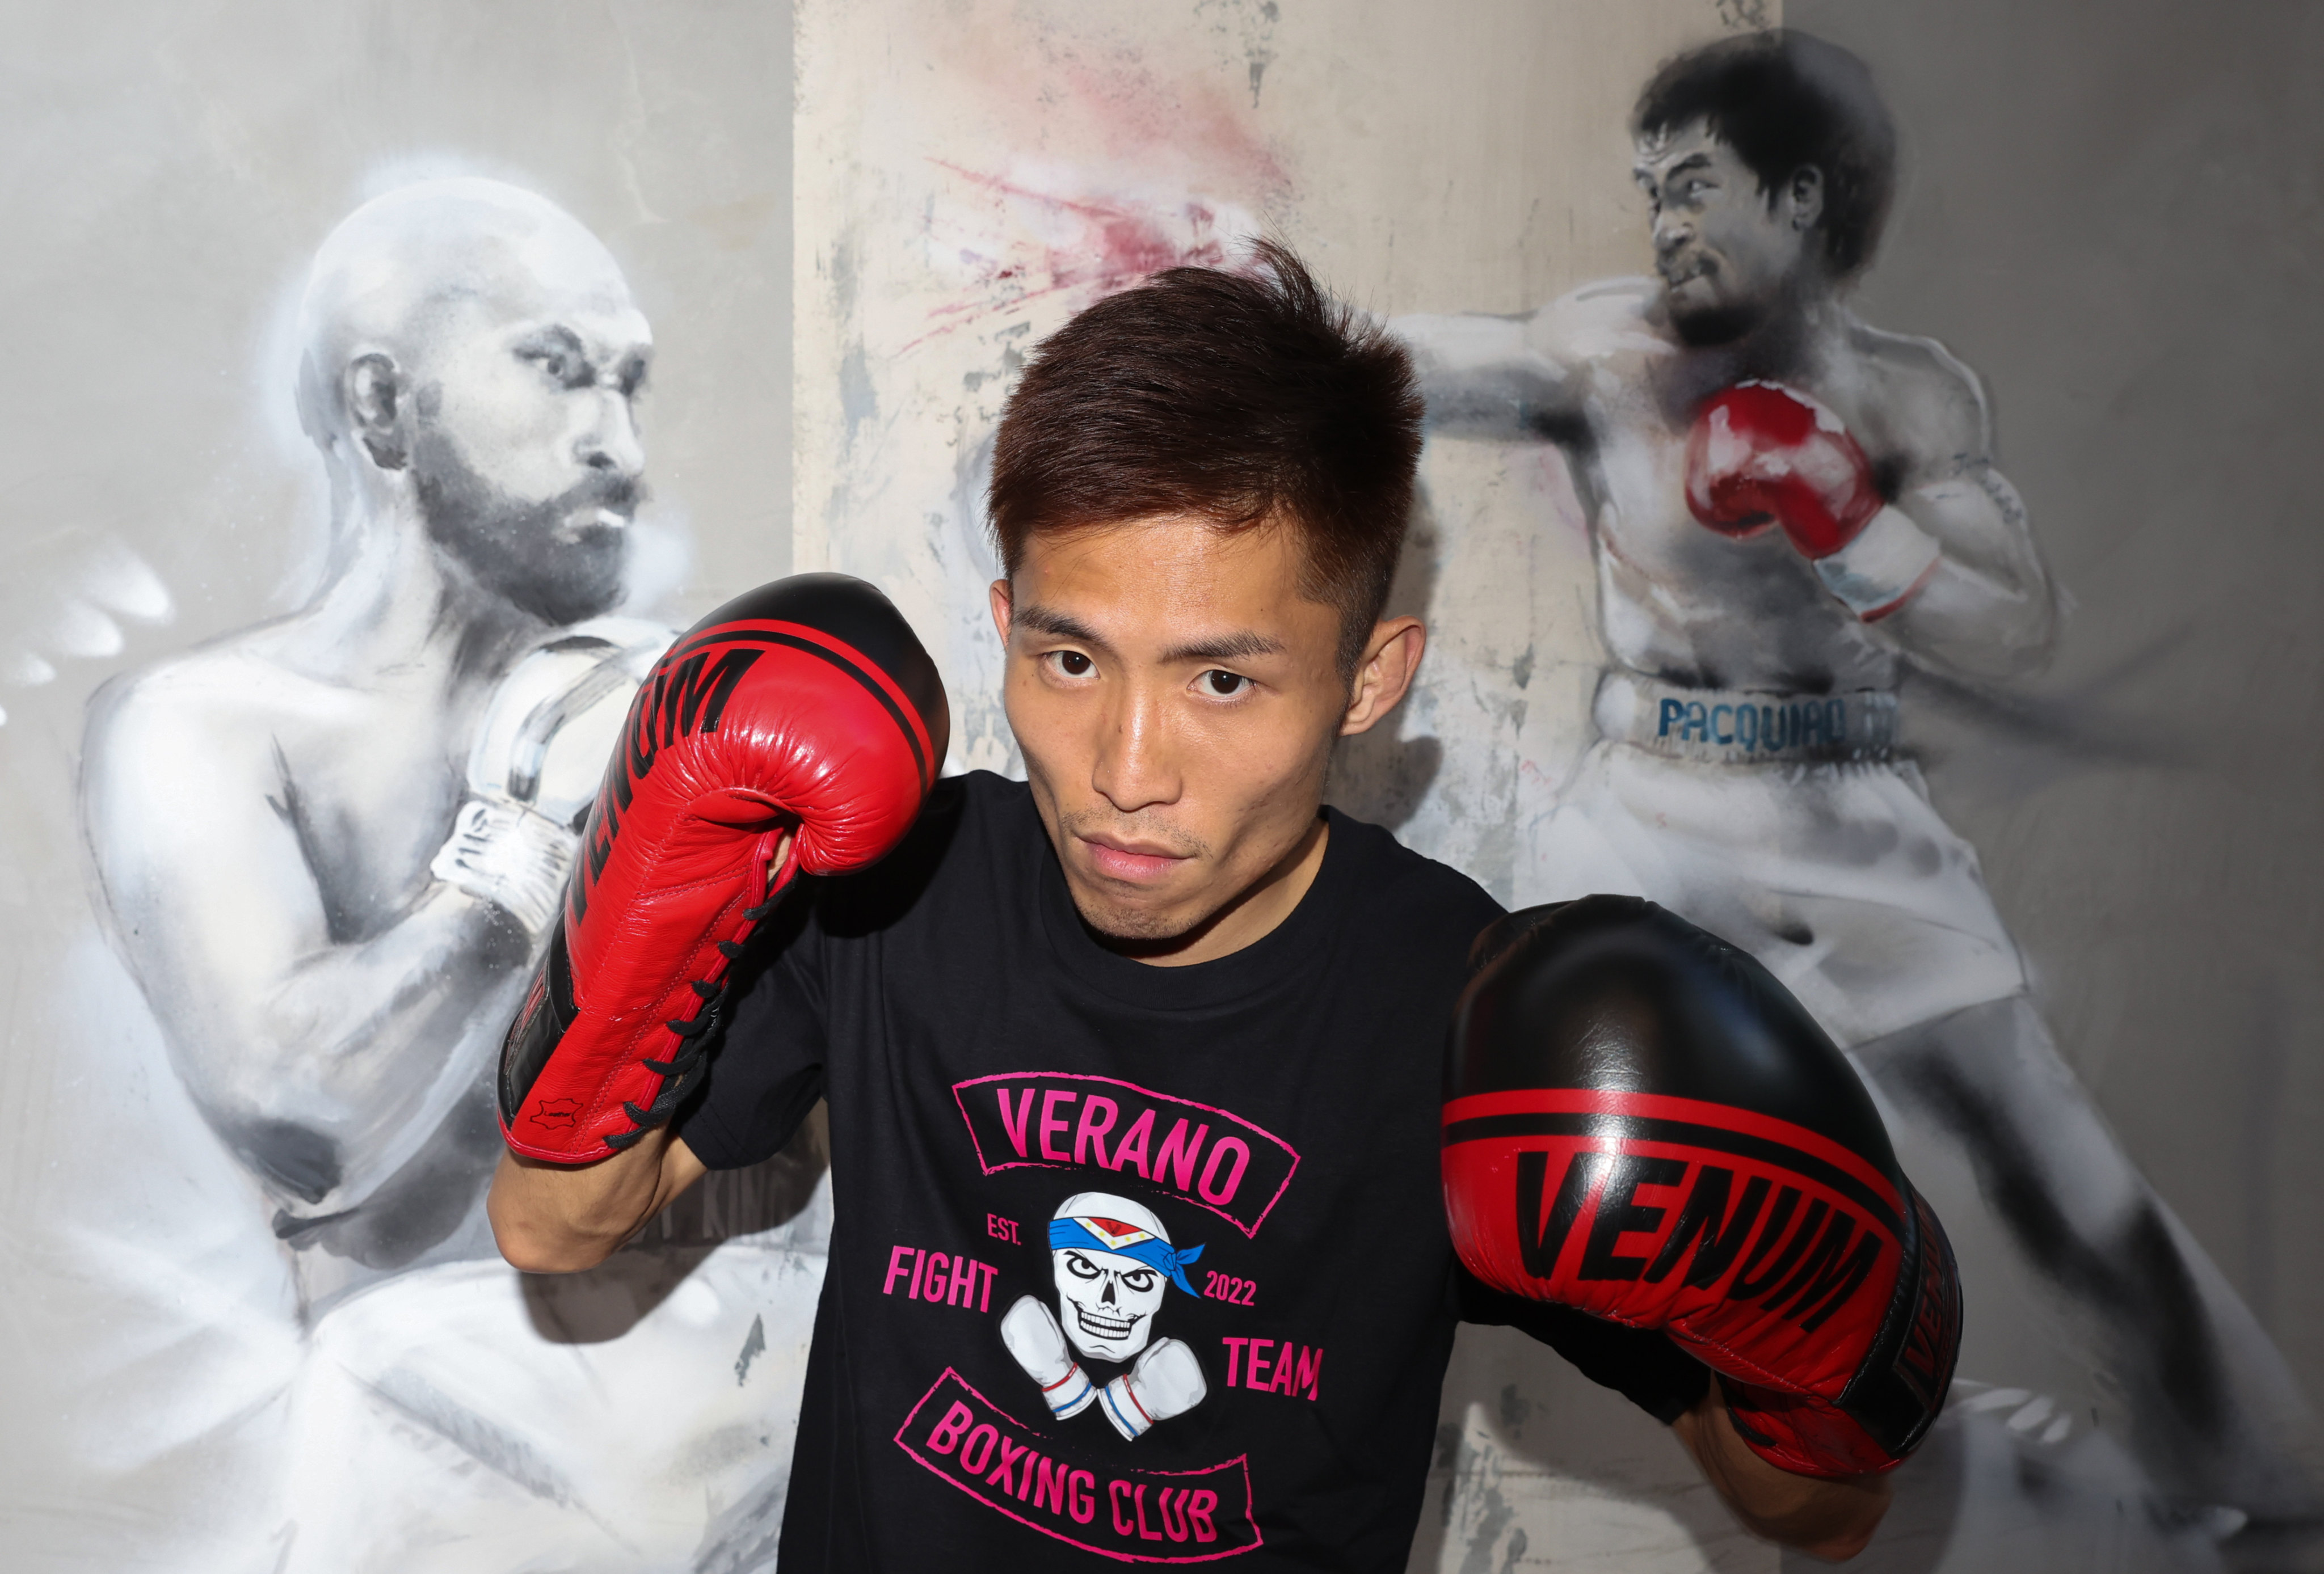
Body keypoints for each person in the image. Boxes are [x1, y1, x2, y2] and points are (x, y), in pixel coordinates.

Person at [490, 243, 1948, 1568]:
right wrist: (641, 897)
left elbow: (1816, 1510)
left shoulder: (1465, 1022)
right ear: (1003, 625)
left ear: (1369, 680)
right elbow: (552, 1227)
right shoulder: (897, 890)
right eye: (1071, 662)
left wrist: (1821, 1332)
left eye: (1221, 679)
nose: (1127, 774)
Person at [1391, 29, 2319, 1524]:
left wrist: (1844, 517)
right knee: (1463, 1086)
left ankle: (2268, 1485)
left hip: (1845, 811)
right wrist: (1251, 311)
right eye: (1651, 192)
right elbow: (1416, 365)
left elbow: (2012, 622)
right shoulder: (1606, 350)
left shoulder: (1906, 397)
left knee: (2055, 1163)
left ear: (1804, 198)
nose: (1667, 222)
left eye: (1697, 186)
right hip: (1645, 802)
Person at [81, 178, 826, 1568]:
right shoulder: (205, 725)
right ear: (381, 411)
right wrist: (526, 845)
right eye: (553, 371)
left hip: (753, 1411)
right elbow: (307, 1111)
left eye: (631, 384)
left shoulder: (689, 705)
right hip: (443, 1433)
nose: (615, 441)